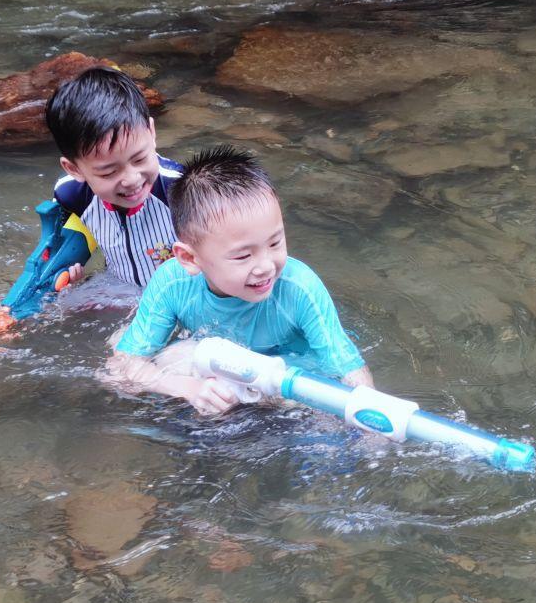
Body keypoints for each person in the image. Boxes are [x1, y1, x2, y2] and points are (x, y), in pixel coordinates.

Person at [102, 145, 374, 415]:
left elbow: (350, 371)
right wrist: (188, 388)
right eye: (243, 256)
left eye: (275, 243)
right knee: (152, 353)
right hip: (218, 369)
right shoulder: (173, 283)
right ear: (190, 258)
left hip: (285, 379)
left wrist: (367, 418)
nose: (266, 266)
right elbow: (121, 368)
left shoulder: (299, 288)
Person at [0, 67, 182, 338]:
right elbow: (51, 257)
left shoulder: (183, 190)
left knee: (128, 355)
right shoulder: (73, 195)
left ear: (151, 133)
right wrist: (14, 309)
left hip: (181, 294)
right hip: (120, 287)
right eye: (109, 172)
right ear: (74, 169)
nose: (131, 179)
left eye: (139, 159)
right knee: (54, 307)